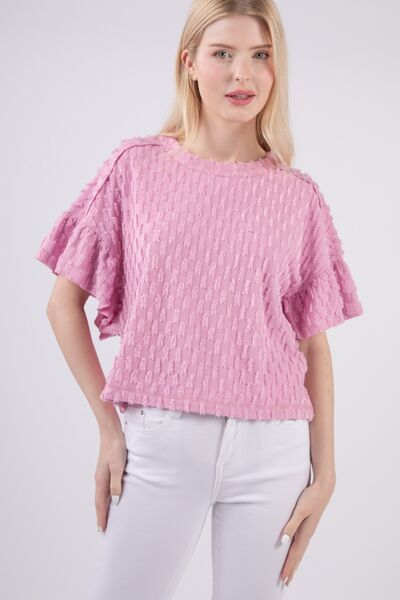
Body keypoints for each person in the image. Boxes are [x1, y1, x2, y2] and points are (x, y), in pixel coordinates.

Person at [34, 1, 364, 599]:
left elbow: (312, 345)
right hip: (160, 440)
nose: (243, 74)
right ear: (188, 63)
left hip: (274, 449)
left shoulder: (298, 196)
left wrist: (327, 473)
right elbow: (63, 304)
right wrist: (109, 430)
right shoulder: (136, 169)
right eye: (223, 54)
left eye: (261, 55)